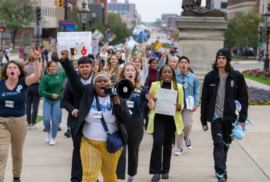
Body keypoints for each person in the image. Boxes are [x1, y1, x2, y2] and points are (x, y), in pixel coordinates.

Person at [59, 50, 131, 182]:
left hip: (111, 145)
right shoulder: (87, 93)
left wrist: (120, 105)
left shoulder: (116, 97)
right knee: (89, 176)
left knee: (109, 177)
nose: (102, 83)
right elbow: (74, 81)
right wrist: (66, 62)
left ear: (109, 84)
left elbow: (126, 119)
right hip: (89, 143)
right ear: (93, 85)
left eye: (105, 81)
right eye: (99, 81)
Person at [201, 48, 248, 182]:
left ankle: (221, 164)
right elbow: (205, 100)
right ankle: (221, 174)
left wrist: (242, 119)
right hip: (215, 116)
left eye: (223, 58)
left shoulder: (237, 76)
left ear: (227, 60)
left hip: (230, 117)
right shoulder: (210, 76)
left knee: (226, 144)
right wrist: (204, 120)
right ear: (216, 60)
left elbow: (243, 99)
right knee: (218, 144)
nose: (221, 60)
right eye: (219, 58)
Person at [0, 48, 41, 182]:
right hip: (2, 122)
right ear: (6, 71)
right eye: (9, 67)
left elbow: (37, 75)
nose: (12, 69)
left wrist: (36, 60)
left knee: (17, 153)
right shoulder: (0, 84)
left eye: (15, 68)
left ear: (19, 71)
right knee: (2, 153)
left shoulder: (24, 82)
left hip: (19, 122)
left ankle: (16, 177)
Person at [116, 63, 155, 182]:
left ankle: (131, 176)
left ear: (135, 73)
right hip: (121, 122)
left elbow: (152, 107)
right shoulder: (117, 86)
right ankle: (119, 177)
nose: (130, 72)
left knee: (133, 151)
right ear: (123, 73)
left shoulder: (141, 89)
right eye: (127, 70)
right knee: (120, 151)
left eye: (132, 70)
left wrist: (150, 99)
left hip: (136, 122)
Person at [147, 65, 184, 181]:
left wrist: (179, 106)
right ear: (161, 74)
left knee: (167, 145)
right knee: (157, 142)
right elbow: (150, 105)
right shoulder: (154, 85)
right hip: (158, 118)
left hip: (171, 119)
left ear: (172, 74)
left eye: (169, 72)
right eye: (164, 72)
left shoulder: (178, 87)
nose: (167, 74)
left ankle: (165, 170)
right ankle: (156, 172)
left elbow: (181, 105)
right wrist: (151, 99)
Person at [61, 56, 94, 182]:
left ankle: (92, 176)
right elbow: (65, 100)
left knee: (93, 152)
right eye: (81, 67)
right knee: (78, 150)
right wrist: (74, 111)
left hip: (95, 123)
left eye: (87, 66)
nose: (84, 69)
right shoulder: (71, 81)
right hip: (77, 122)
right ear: (78, 68)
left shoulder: (99, 80)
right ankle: (76, 178)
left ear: (92, 67)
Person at [174, 56, 200, 155]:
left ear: (188, 65)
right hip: (177, 106)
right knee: (178, 127)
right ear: (179, 64)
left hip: (189, 106)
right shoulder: (174, 75)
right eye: (181, 62)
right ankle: (179, 148)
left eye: (185, 62)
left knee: (187, 125)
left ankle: (187, 137)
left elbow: (196, 92)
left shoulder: (194, 78)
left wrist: (196, 105)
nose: (183, 64)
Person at [39, 60, 67, 146]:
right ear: (48, 68)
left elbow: (69, 69)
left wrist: (70, 60)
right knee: (46, 120)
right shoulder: (45, 78)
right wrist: (51, 95)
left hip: (57, 101)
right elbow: (41, 92)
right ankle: (48, 132)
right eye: (52, 66)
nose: (54, 68)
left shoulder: (60, 75)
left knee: (55, 120)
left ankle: (53, 138)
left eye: (55, 66)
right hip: (47, 101)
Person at [25, 53, 44, 130]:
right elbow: (41, 76)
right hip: (36, 86)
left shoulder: (25, 68)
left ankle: (28, 122)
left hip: (28, 86)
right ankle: (33, 123)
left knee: (28, 106)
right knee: (35, 106)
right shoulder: (39, 67)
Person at [144, 58, 159, 130]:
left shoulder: (158, 73)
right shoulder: (147, 71)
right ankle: (147, 123)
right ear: (149, 64)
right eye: (153, 63)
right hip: (147, 93)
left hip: (155, 95)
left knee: (153, 110)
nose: (155, 64)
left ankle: (153, 125)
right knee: (146, 110)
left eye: (156, 63)